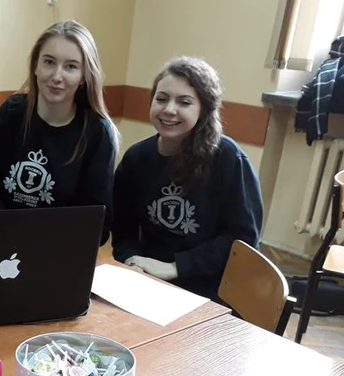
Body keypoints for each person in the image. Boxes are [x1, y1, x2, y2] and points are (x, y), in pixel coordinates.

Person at [111, 56, 263, 301]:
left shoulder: (228, 158)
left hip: (213, 290)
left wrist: (176, 267)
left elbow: (243, 238)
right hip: (148, 281)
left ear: (204, 109)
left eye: (184, 102)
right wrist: (133, 262)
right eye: (161, 99)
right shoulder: (137, 158)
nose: (169, 109)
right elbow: (122, 230)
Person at [0, 19, 118, 244]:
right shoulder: (10, 113)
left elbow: (97, 224)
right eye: (49, 62)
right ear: (36, 66)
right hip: (4, 241)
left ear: (84, 76)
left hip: (61, 249)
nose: (57, 76)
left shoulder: (98, 133)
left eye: (71, 66)